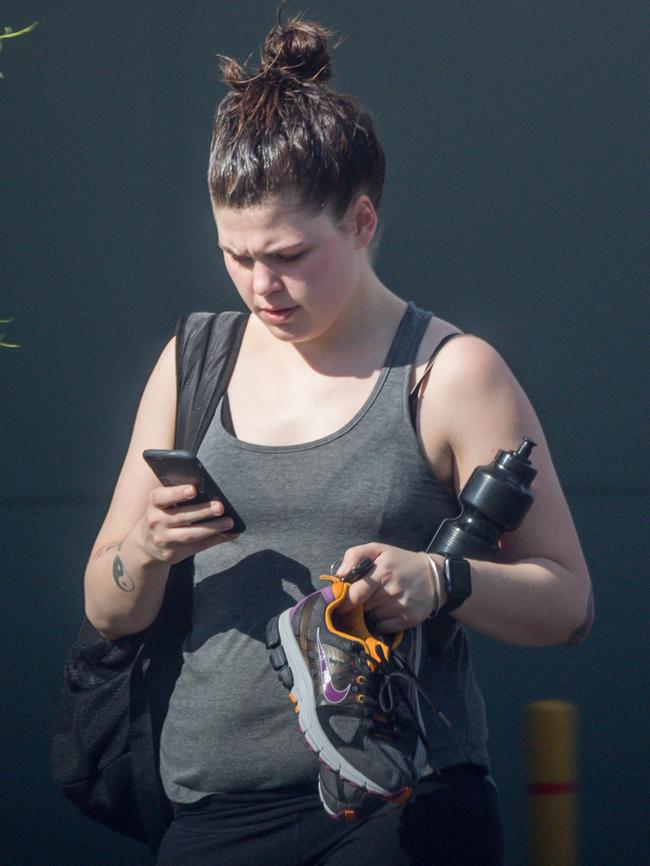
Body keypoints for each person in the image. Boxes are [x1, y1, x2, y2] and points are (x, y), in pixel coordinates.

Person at [83, 13, 593, 866]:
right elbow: (105, 605)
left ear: (361, 222)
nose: (261, 286)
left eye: (287, 255)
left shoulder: (449, 373)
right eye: (235, 256)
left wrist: (440, 579)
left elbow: (569, 605)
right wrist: (148, 545)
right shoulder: (193, 360)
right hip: (212, 811)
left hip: (401, 805)